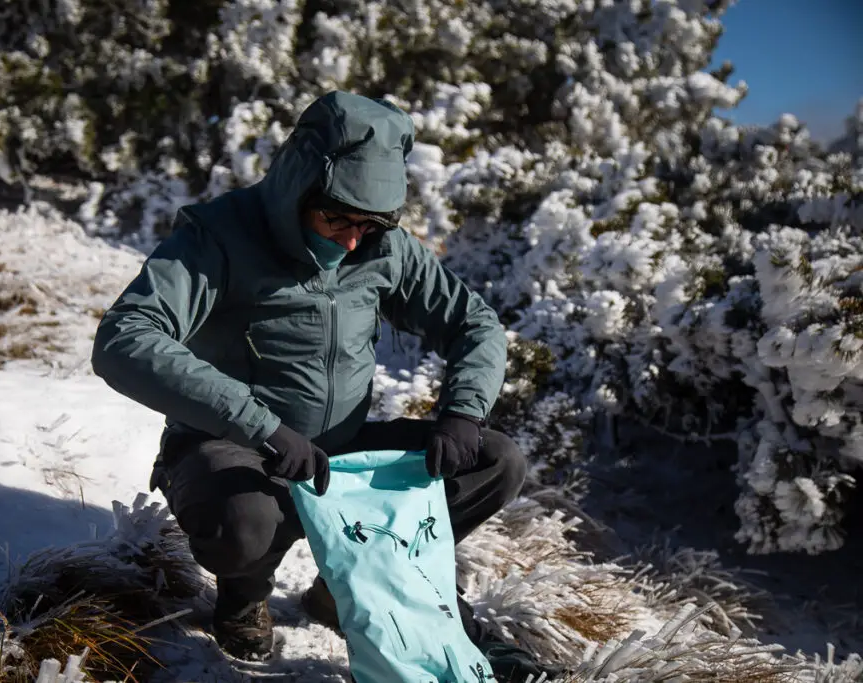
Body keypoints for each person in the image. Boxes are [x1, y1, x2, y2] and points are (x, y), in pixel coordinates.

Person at [90, 91, 545, 677]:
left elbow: (473, 323)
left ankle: (345, 587)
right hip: (236, 447)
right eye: (337, 218)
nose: (353, 239)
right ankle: (244, 593)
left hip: (341, 449)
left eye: (371, 223)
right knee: (243, 526)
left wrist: (463, 410)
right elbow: (124, 338)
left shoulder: (383, 248)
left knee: (496, 459)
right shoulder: (219, 237)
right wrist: (261, 425)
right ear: (298, 187)